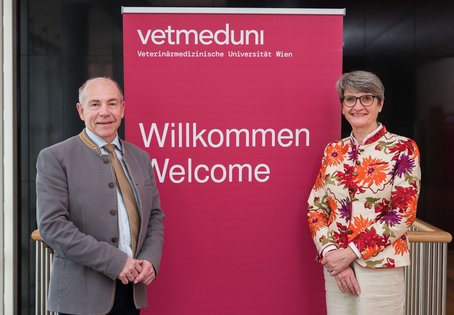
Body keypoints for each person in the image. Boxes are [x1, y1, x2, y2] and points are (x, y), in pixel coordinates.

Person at [36, 77, 164, 315]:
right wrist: (116, 262)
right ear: (81, 111)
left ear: (123, 108)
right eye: (95, 104)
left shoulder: (140, 158)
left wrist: (150, 259)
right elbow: (52, 227)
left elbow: (154, 216)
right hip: (81, 299)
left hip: (131, 292)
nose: (105, 112)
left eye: (112, 103)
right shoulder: (55, 158)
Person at [307, 70, 421, 314]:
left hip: (380, 266)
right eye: (350, 99)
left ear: (379, 104)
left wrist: (350, 253)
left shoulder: (402, 148)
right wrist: (332, 254)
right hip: (337, 267)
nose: (357, 106)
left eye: (366, 98)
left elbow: (402, 213)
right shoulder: (332, 150)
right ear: (342, 106)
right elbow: (316, 207)